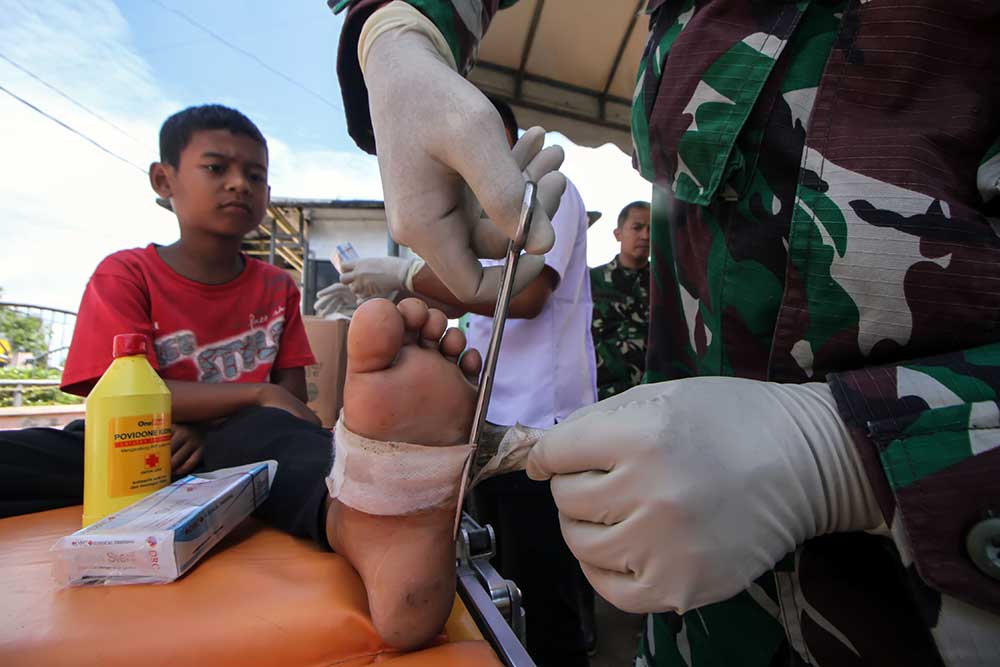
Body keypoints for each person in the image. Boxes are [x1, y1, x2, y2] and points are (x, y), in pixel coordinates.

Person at [330, 1, 1000, 664]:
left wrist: (845, 454)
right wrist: (401, 30)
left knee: (556, 580)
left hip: (926, 597)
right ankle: (412, 490)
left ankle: (396, 491)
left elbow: (530, 295)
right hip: (694, 585)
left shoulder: (543, 200)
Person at [0, 104, 500, 651]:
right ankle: (372, 489)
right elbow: (109, 388)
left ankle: (374, 517)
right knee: (31, 455)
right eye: (217, 168)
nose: (240, 184)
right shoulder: (126, 272)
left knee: (293, 446)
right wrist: (249, 395)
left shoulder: (275, 287)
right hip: (135, 444)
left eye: (256, 175)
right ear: (163, 180)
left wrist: (243, 411)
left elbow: (287, 400)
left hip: (240, 451)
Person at [340, 96, 598, 667]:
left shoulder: (551, 191)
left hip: (540, 427)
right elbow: (474, 306)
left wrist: (406, 275)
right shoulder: (469, 217)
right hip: (480, 421)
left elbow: (526, 295)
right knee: (494, 579)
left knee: (546, 589)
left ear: (497, 139)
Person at [590, 201, 651, 401]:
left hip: (650, 396)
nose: (645, 236)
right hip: (598, 396)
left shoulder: (667, 285)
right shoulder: (591, 280)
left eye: (652, 229)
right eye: (637, 227)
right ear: (618, 234)